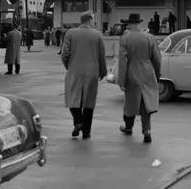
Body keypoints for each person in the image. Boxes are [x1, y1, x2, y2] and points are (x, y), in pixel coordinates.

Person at [62, 11, 107, 140]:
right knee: (89, 102)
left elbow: (65, 54)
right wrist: (102, 71)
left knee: (72, 98)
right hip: (92, 71)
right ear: (89, 20)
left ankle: (78, 121)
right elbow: (101, 55)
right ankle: (86, 132)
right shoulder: (97, 35)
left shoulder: (70, 33)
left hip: (75, 70)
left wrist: (69, 66)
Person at [118, 13, 161, 142]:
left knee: (131, 101)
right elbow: (157, 59)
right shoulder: (150, 37)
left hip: (132, 71)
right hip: (147, 71)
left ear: (129, 24)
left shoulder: (125, 38)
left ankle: (128, 127)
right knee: (145, 103)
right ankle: (147, 131)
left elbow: (123, 61)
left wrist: (122, 80)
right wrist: (157, 74)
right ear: (140, 23)